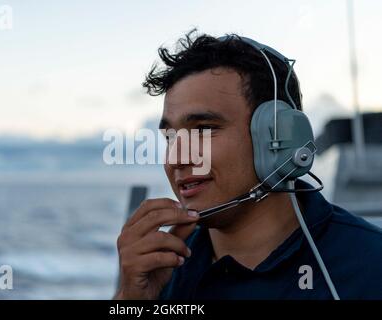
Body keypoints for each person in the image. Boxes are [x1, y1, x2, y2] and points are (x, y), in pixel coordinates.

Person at [113, 30, 382, 300]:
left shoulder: (370, 265)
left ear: (278, 137)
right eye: (170, 137)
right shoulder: (161, 269)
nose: (176, 159)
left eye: (204, 130)